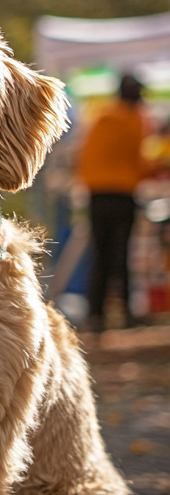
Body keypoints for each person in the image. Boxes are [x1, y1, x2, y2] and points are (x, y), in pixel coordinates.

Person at [77, 74, 153, 330]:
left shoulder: (101, 116)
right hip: (124, 194)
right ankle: (127, 314)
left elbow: (85, 153)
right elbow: (143, 161)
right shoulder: (137, 119)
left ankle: (95, 315)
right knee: (122, 254)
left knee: (99, 253)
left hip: (97, 193)